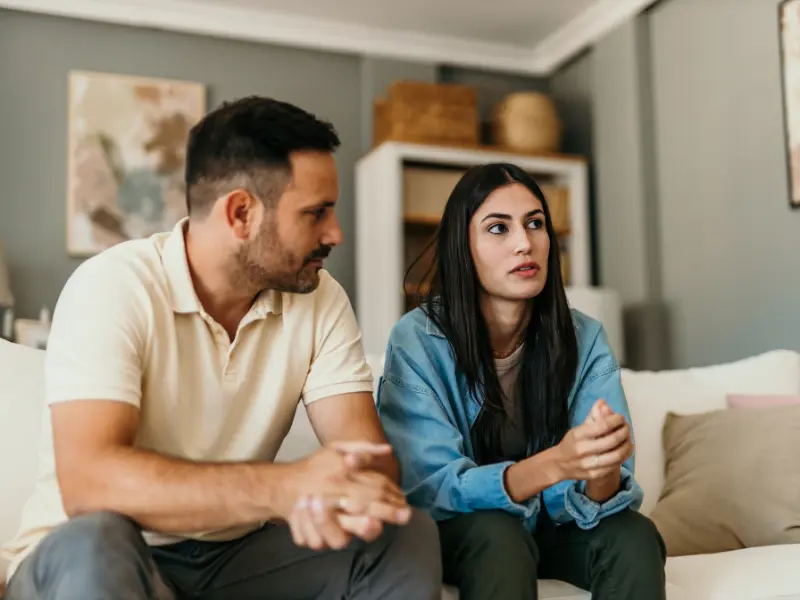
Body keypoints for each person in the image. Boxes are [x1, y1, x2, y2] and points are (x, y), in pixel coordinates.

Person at [2, 96, 442, 600]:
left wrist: (350, 491)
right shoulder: (113, 286)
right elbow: (91, 484)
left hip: (231, 561)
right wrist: (282, 488)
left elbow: (367, 463)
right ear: (240, 213)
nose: (335, 233)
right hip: (97, 556)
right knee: (97, 541)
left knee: (401, 534)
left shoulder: (320, 300)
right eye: (315, 213)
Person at [376, 163, 666, 600]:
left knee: (633, 534)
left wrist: (600, 468)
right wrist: (556, 464)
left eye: (535, 224)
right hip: (461, 529)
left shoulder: (585, 337)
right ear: (463, 246)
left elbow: (603, 497)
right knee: (498, 533)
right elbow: (430, 487)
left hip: (552, 525)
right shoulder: (418, 338)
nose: (524, 243)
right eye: (498, 228)